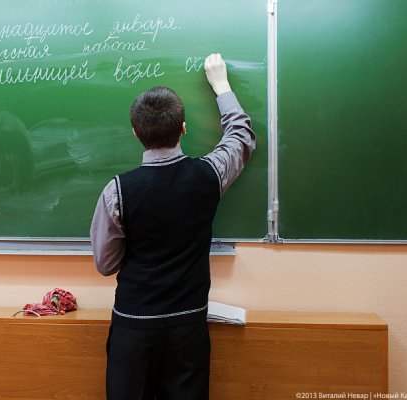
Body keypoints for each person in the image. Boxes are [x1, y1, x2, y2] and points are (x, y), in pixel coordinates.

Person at [90, 53, 256, 400]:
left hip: (133, 327)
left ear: (135, 133)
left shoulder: (117, 191)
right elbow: (240, 137)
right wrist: (221, 85)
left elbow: (105, 264)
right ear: (183, 128)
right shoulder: (209, 175)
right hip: (187, 329)